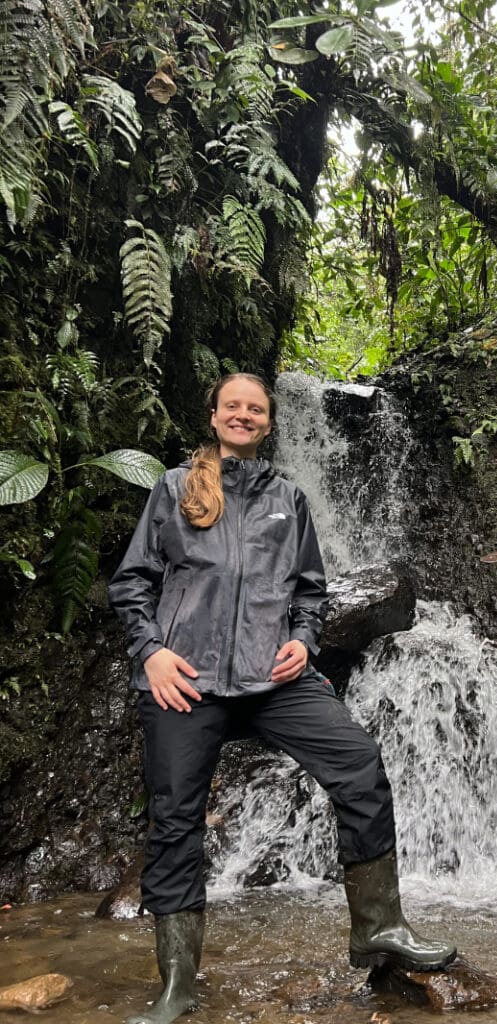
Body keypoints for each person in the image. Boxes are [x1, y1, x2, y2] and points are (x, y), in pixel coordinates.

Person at [109, 373, 456, 1024]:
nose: (243, 415)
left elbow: (310, 590)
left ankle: (378, 929)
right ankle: (178, 983)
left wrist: (303, 637)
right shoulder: (174, 491)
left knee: (357, 765)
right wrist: (151, 652)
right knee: (175, 821)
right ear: (214, 417)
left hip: (275, 679)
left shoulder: (287, 499)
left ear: (268, 424)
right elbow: (132, 584)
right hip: (187, 679)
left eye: (255, 409)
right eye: (232, 406)